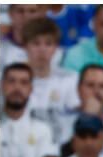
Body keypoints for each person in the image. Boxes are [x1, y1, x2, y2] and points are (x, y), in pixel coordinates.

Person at [22, 17, 80, 145]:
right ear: (25, 46)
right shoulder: (11, 80)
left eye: (48, 44)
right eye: (36, 43)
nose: (42, 50)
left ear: (56, 48)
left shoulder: (70, 80)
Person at [1, 63, 57, 157]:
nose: (17, 88)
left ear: (31, 89)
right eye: (11, 81)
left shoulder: (43, 130)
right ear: (2, 85)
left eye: (24, 83)